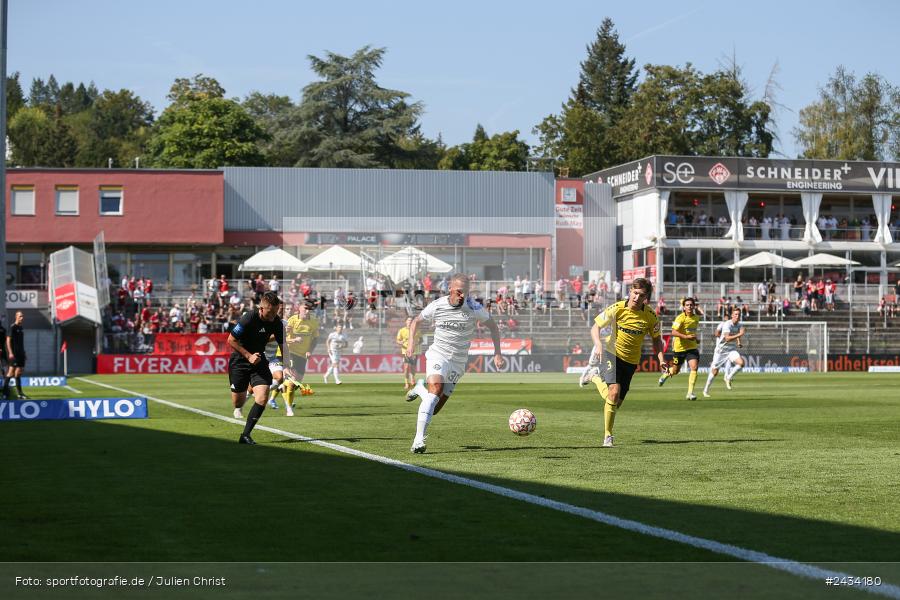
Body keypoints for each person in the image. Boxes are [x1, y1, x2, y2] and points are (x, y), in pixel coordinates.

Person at [405, 274, 503, 454]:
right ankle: (418, 440)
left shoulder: (474, 307)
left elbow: (493, 327)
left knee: (434, 408)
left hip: (458, 362)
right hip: (438, 354)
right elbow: (416, 321)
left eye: (465, 292)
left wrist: (497, 353)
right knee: (436, 388)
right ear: (450, 288)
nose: (461, 295)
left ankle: (420, 388)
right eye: (459, 291)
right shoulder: (437, 305)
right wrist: (411, 343)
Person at [578, 278, 664, 448]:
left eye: (641, 295)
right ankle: (608, 436)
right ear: (630, 292)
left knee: (615, 402)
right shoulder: (617, 308)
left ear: (646, 297)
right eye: (635, 293)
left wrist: (661, 359)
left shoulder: (651, 316)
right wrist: (598, 344)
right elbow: (595, 327)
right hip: (611, 354)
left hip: (631, 361)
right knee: (614, 392)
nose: (636, 297)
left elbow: (656, 340)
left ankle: (594, 376)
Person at [227, 292, 284, 444]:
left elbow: (283, 345)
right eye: (271, 312)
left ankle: (245, 435)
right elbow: (231, 340)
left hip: (259, 361)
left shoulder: (276, 322)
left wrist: (289, 365)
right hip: (239, 361)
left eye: (276, 311)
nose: (274, 315)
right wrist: (248, 355)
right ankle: (246, 389)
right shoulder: (249, 318)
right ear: (261, 308)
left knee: (263, 396)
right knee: (238, 403)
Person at [658, 297, 702, 400]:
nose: (689, 307)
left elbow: (692, 332)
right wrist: (686, 337)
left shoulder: (696, 318)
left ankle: (690, 393)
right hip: (680, 348)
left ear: (694, 306)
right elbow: (673, 332)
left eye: (691, 305)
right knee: (675, 371)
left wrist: (696, 339)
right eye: (687, 305)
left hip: (692, 347)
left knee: (694, 367)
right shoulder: (680, 318)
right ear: (684, 307)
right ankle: (666, 374)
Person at [702, 307, 746, 398]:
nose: (737, 316)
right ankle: (705, 390)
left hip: (731, 350)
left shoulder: (740, 325)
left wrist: (738, 342)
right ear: (732, 315)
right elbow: (727, 338)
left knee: (741, 363)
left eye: (739, 314)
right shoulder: (727, 324)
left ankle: (728, 377)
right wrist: (740, 334)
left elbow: (737, 334)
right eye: (736, 314)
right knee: (714, 371)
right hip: (721, 351)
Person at [284, 302, 320, 407]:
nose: (307, 311)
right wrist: (293, 339)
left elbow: (315, 339)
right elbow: (283, 337)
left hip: (303, 355)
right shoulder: (292, 320)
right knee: (293, 380)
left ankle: (282, 385)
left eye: (309, 309)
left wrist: (310, 351)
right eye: (305, 309)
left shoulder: (313, 322)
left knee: (297, 381)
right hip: (291, 352)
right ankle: (289, 407)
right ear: (299, 309)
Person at [396, 316, 423, 390]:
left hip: (414, 351)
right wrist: (401, 342)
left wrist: (417, 343)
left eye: (411, 320)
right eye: (408, 320)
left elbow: (421, 340)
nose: (410, 321)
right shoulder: (402, 330)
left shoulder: (416, 330)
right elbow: (398, 340)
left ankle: (412, 379)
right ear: (406, 322)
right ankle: (406, 383)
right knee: (407, 367)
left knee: (413, 367)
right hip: (406, 351)